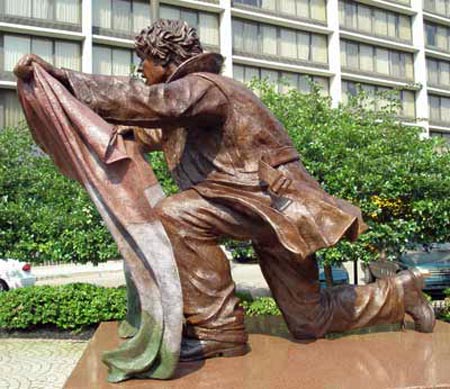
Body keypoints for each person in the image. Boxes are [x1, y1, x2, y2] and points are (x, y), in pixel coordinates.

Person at [14, 19, 435, 361]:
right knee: (310, 321)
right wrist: (85, 121)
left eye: (144, 61)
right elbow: (149, 131)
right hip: (263, 210)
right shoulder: (190, 107)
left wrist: (65, 79)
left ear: (166, 60)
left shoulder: (205, 88)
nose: (140, 71)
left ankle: (219, 331)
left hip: (271, 205)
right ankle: (400, 293)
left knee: (178, 214)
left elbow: (153, 104)